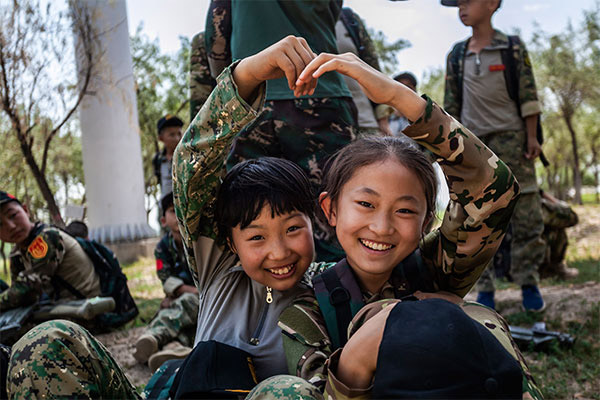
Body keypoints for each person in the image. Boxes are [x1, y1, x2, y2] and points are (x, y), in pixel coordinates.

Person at [5, 36, 330, 399]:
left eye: (292, 228)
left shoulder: (335, 287)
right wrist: (249, 73)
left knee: (286, 392)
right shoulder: (220, 268)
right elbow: (193, 164)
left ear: (317, 220)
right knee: (47, 341)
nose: (279, 251)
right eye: (256, 237)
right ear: (229, 242)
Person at [254, 52, 539, 399]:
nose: (382, 226)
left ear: (425, 223)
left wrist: (398, 98)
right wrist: (381, 333)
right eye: (365, 204)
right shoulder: (310, 306)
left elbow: (494, 191)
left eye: (405, 211)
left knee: (481, 320)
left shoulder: (435, 268)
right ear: (330, 209)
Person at [205, 0, 357, 262]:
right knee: (334, 211)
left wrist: (233, 86)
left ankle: (267, 294)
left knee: (251, 211)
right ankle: (341, 293)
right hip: (322, 92)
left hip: (252, 100)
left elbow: (216, 33)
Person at [442, 0, 546, 311]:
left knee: (527, 213)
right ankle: (484, 287)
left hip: (513, 141)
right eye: (456, 3)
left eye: (467, 1)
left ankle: (529, 282)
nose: (461, 8)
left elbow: (530, 96)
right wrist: (451, 150)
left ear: (491, 3)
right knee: (477, 216)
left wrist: (532, 138)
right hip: (475, 146)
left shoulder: (512, 48)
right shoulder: (457, 55)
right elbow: (451, 107)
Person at [0, 191, 101, 312]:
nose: (10, 226)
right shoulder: (17, 253)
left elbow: (26, 289)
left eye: (13, 215)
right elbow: (17, 294)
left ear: (25, 210)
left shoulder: (47, 237)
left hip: (88, 311)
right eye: (0, 224)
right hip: (62, 310)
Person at [133, 192, 199, 371]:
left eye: (182, 210)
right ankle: (175, 347)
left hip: (204, 299)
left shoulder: (198, 241)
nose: (179, 215)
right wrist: (178, 293)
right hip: (185, 298)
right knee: (178, 313)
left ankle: (154, 336)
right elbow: (165, 278)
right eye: (172, 210)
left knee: (185, 304)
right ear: (163, 221)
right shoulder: (163, 247)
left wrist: (190, 292)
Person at [335, 7, 392, 137]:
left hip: (363, 121)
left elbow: (373, 68)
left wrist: (382, 118)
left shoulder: (348, 19)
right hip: (310, 121)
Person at [539, 190, 579, 280]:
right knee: (555, 229)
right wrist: (545, 196)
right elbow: (572, 217)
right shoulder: (532, 205)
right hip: (522, 265)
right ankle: (552, 270)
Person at [152, 114, 184, 198]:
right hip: (166, 207)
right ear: (161, 138)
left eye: (179, 133)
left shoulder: (188, 157)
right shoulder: (158, 160)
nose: (177, 138)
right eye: (172, 135)